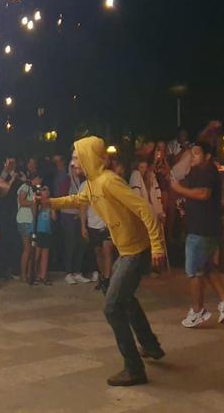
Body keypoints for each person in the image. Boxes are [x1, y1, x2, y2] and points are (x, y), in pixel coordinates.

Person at [45, 136, 166, 387]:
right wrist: (50, 202)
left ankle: (134, 368)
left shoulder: (109, 182)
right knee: (126, 299)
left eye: (77, 157)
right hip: (128, 250)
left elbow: (144, 209)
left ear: (89, 157)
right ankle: (151, 346)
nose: (73, 162)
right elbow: (77, 200)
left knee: (112, 307)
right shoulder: (91, 184)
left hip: (136, 251)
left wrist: (157, 247)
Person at [169, 142, 224, 329]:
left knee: (193, 270)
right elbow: (180, 173)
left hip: (201, 229)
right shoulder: (199, 170)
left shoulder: (208, 171)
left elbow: (203, 193)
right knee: (207, 266)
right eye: (191, 154)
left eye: (197, 154)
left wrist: (179, 190)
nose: (192, 157)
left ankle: (197, 310)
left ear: (207, 156)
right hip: (205, 227)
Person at [55, 156, 89, 285]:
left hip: (79, 215)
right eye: (75, 167)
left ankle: (77, 271)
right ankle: (68, 272)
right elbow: (62, 198)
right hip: (67, 215)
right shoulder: (66, 179)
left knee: (81, 242)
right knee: (71, 243)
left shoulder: (81, 180)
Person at [81, 177, 115, 293]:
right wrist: (83, 226)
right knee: (98, 252)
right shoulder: (85, 186)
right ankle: (102, 276)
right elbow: (83, 207)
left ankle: (107, 279)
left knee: (107, 251)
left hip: (106, 224)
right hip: (92, 224)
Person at [17, 173, 42, 284]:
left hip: (32, 221)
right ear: (34, 178)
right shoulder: (25, 187)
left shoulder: (35, 189)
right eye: (39, 178)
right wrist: (33, 203)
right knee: (27, 249)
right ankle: (23, 274)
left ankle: (29, 273)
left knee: (32, 250)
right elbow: (21, 201)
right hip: (24, 220)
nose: (40, 181)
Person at [32, 186, 55, 286]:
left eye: (46, 190)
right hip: (38, 231)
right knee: (36, 255)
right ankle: (34, 275)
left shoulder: (51, 204)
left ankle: (43, 276)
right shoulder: (38, 203)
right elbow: (34, 214)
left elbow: (54, 218)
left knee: (45, 255)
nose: (45, 192)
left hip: (47, 232)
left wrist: (52, 208)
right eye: (43, 190)